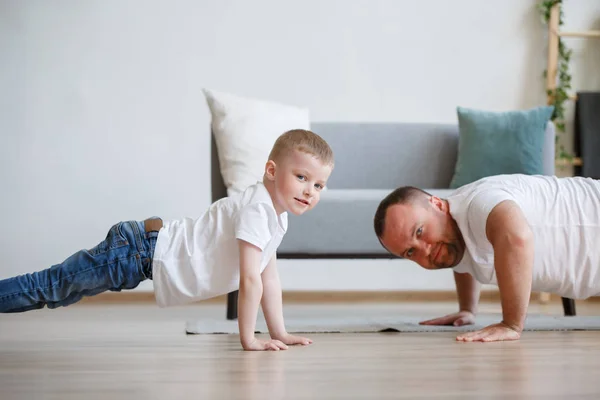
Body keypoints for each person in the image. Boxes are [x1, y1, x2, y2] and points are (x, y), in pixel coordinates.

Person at [0, 129, 334, 351]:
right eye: (301, 177)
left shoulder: (276, 217)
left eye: (318, 185)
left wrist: (279, 333)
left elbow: (268, 277)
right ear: (272, 171)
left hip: (141, 253)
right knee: (51, 286)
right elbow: (249, 280)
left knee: (59, 293)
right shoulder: (257, 211)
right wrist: (248, 339)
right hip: (137, 251)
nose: (309, 190)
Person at [373, 174, 600, 342]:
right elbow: (463, 259)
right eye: (410, 252)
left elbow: (515, 238)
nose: (425, 250)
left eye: (419, 232)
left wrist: (510, 324)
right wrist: (468, 310)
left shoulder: (480, 203)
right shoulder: (453, 231)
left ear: (437, 204)